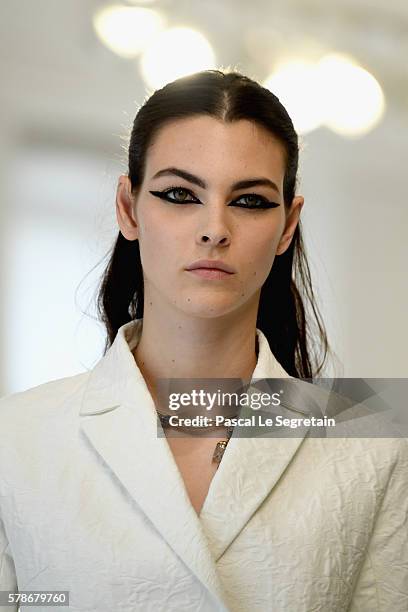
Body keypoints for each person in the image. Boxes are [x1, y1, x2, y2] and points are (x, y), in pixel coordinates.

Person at [0, 69, 407, 612]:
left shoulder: (372, 440)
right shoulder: (17, 440)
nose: (215, 228)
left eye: (250, 201)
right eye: (179, 194)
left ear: (288, 225)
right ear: (128, 208)